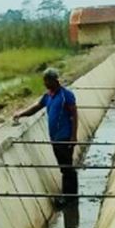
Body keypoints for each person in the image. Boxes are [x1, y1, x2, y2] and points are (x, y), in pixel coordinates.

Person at [14, 68, 79, 204]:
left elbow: (74, 115)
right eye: (44, 80)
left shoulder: (66, 95)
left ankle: (69, 197)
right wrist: (21, 114)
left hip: (65, 136)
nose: (45, 83)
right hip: (54, 138)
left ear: (55, 80)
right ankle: (70, 196)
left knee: (67, 167)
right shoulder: (48, 96)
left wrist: (73, 136)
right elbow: (36, 107)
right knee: (64, 167)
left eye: (47, 80)